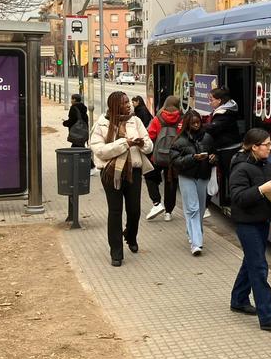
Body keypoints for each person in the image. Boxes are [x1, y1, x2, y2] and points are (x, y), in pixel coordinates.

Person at [229, 128, 271, 331]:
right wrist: (260, 190)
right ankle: (268, 315)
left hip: (263, 221)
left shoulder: (269, 166)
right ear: (254, 147)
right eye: (267, 145)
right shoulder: (240, 169)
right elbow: (238, 199)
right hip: (247, 224)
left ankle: (238, 299)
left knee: (251, 262)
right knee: (259, 266)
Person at [89, 91, 153, 267]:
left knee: (135, 210)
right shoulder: (102, 124)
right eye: (124, 102)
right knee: (115, 212)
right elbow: (99, 150)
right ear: (115, 105)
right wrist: (124, 144)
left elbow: (149, 146)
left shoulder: (135, 120)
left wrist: (141, 143)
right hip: (111, 173)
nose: (128, 105)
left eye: (128, 102)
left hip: (134, 171)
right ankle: (116, 252)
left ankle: (130, 235)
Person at [170, 110, 215, 255]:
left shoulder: (207, 138)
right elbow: (175, 161)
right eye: (193, 123)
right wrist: (193, 158)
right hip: (187, 177)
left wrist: (214, 158)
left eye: (198, 122)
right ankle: (197, 243)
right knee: (193, 208)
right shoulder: (179, 141)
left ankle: (193, 233)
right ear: (187, 124)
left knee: (200, 209)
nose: (196, 125)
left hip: (203, 176)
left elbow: (215, 153)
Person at [145, 95, 182, 221]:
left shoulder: (157, 118)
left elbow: (151, 135)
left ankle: (156, 202)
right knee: (171, 182)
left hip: (158, 155)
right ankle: (168, 212)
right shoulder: (181, 118)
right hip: (174, 157)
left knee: (150, 176)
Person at [205, 87, 241, 207]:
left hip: (228, 151)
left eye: (211, 100)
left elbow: (213, 128)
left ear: (219, 100)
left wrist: (199, 126)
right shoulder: (226, 109)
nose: (209, 103)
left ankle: (236, 205)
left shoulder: (224, 114)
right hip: (226, 148)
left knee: (231, 178)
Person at [62, 93, 89, 222]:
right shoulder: (84, 108)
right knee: (79, 147)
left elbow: (72, 120)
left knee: (75, 150)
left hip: (77, 132)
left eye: (71, 99)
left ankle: (89, 165)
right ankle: (90, 165)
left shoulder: (74, 108)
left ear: (73, 100)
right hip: (83, 132)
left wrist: (65, 123)